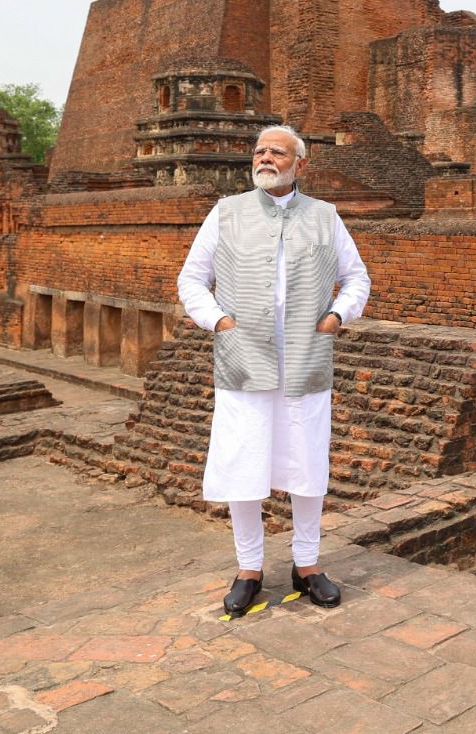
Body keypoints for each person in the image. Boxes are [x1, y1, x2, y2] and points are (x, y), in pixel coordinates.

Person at [177, 124, 370, 616]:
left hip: (306, 358)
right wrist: (217, 320)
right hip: (244, 358)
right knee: (244, 462)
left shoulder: (325, 217)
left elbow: (356, 278)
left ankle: (307, 565)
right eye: (260, 150)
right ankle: (249, 568)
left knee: (306, 465)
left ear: (299, 164)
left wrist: (337, 317)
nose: (265, 157)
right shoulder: (227, 212)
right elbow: (192, 279)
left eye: (277, 152)